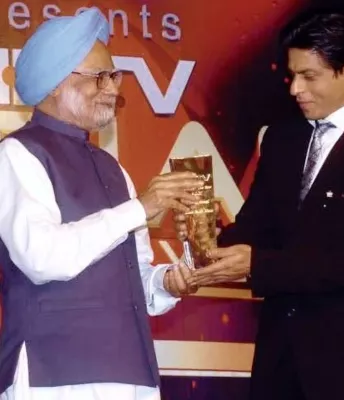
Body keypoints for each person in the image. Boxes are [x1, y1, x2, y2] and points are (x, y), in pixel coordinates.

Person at [175, 11, 344, 400]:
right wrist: (207, 235)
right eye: (292, 76)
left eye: (309, 76)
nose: (296, 89)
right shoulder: (282, 139)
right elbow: (256, 227)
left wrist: (258, 264)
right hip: (280, 358)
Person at [0, 7, 201, 400]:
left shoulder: (113, 169)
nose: (113, 89)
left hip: (132, 373)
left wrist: (167, 283)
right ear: (56, 83)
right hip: (53, 371)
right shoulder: (17, 154)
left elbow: (137, 279)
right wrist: (139, 208)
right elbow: (41, 257)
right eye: (100, 77)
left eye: (114, 76)